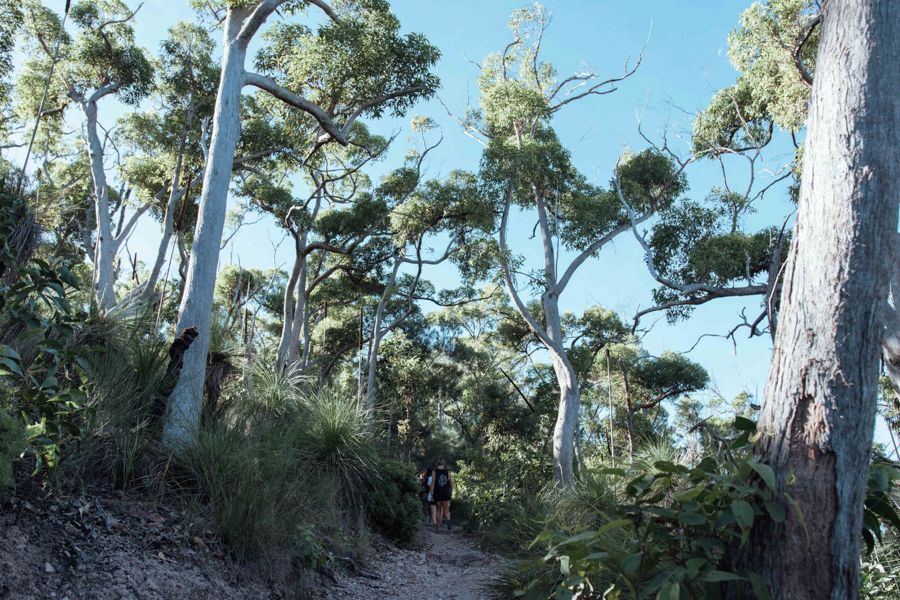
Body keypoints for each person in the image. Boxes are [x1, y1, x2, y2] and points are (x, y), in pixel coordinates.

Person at [428, 456, 453, 531]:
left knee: (438, 510)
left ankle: (438, 527)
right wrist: (451, 491)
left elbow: (432, 484)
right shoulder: (448, 472)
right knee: (446, 510)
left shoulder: (434, 472)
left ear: (437, 464)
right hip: (445, 493)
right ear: (444, 464)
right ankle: (448, 521)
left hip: (437, 493)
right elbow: (451, 483)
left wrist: (431, 493)